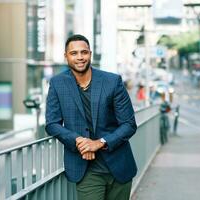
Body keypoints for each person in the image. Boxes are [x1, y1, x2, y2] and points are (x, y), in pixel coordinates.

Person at [45, 34, 137, 200]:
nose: (80, 57)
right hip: (85, 169)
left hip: (119, 165)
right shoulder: (57, 83)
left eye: (84, 52)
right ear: (66, 56)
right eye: (74, 53)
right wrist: (79, 140)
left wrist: (99, 143)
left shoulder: (112, 81)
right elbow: (52, 123)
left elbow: (129, 124)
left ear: (90, 54)